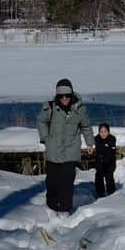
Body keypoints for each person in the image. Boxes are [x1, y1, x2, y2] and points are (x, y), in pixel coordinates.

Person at [36, 77, 92, 213]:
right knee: (52, 183)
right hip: (53, 152)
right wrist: (45, 138)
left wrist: (90, 143)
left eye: (67, 95)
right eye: (61, 96)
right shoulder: (50, 108)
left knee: (66, 184)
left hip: (71, 152)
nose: (64, 98)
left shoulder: (79, 109)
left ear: (71, 94)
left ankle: (65, 211)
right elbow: (40, 121)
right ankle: (51, 210)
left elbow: (86, 126)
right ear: (57, 95)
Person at [93, 123, 117, 198]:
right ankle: (100, 193)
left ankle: (111, 193)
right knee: (98, 176)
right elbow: (98, 151)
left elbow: (111, 153)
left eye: (105, 131)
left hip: (109, 162)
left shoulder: (111, 139)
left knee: (109, 177)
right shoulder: (97, 139)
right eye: (101, 132)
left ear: (108, 132)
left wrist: (105, 149)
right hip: (100, 162)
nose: (103, 133)